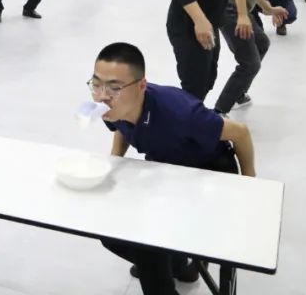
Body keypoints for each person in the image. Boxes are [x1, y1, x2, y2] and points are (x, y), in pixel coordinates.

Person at [91, 42, 256, 295]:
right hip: (166, 168)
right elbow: (121, 127)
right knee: (110, 232)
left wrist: (250, 186)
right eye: (96, 84)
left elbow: (240, 133)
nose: (103, 96)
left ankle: (165, 266)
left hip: (208, 174)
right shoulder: (114, 108)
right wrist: (114, 162)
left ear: (141, 86)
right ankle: (180, 265)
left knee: (149, 245)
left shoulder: (181, 113)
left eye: (114, 87)